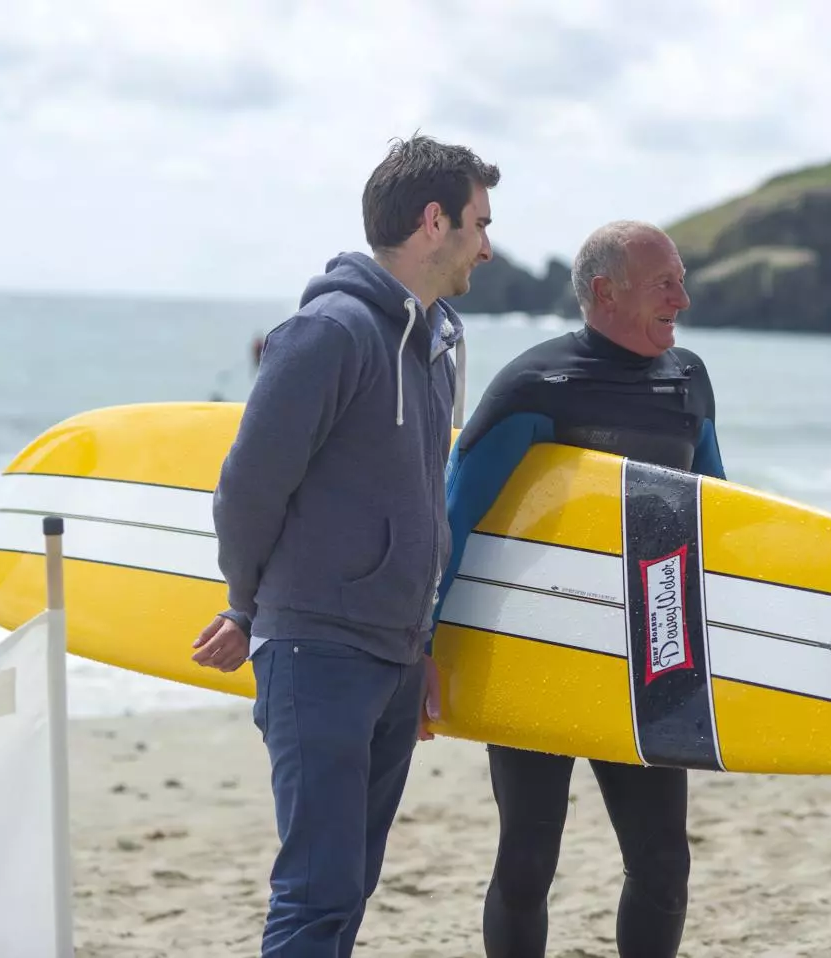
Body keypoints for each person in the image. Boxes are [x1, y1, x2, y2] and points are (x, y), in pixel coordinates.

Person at [191, 133, 499, 958]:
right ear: (434, 222)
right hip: (319, 648)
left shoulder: (436, 345)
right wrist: (250, 606)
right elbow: (248, 488)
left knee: (350, 886)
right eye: (478, 223)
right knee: (317, 892)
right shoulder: (330, 332)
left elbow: (416, 499)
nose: (488, 245)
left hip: (393, 653)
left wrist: (420, 636)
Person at [437, 220, 725, 958]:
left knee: (663, 863)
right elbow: (451, 524)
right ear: (606, 292)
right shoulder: (535, 387)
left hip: (651, 658)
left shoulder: (688, 380)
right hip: (539, 654)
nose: (683, 300)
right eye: (666, 284)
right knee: (528, 860)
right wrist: (422, 650)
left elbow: (717, 514)